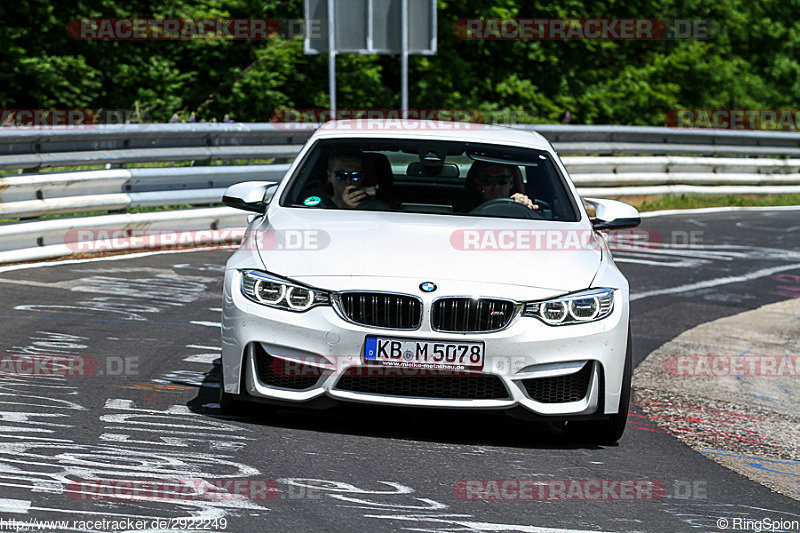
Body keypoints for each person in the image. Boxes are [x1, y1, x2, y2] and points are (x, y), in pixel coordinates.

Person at [456, 160, 539, 212]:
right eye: (488, 181)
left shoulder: (523, 207)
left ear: (511, 183)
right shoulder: (463, 212)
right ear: (478, 184)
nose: (496, 187)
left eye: (502, 180)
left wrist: (524, 206)